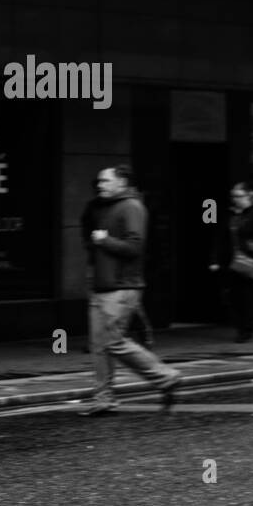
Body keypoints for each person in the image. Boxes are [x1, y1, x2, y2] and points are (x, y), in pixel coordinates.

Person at [81, 165, 181, 416]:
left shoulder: (132, 207)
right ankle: (103, 398)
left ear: (122, 182)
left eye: (105, 181)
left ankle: (165, 376)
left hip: (122, 287)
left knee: (113, 342)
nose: (100, 185)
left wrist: (104, 240)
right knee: (99, 346)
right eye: (99, 181)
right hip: (101, 286)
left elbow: (135, 247)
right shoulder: (102, 206)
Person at [207, 181, 253, 342]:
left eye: (238, 196)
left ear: (248, 195)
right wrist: (215, 259)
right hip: (233, 262)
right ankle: (243, 329)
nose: (235, 199)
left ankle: (246, 329)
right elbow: (220, 238)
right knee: (236, 297)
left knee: (249, 296)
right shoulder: (230, 214)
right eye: (233, 196)